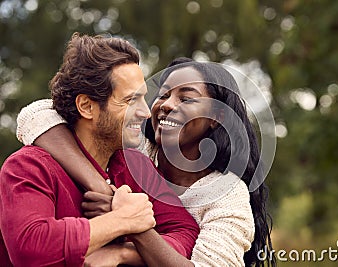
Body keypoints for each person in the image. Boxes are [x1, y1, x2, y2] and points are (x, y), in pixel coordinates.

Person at [17, 58, 275, 266]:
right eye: (163, 95)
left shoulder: (227, 195)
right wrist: (102, 186)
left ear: (216, 117)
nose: (166, 106)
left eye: (186, 99)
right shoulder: (133, 147)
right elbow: (35, 115)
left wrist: (128, 242)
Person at [0, 33, 199, 266]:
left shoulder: (136, 165)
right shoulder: (27, 167)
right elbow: (30, 248)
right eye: (129, 100)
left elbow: (186, 232)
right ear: (86, 106)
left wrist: (126, 249)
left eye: (144, 98)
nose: (146, 112)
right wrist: (120, 221)